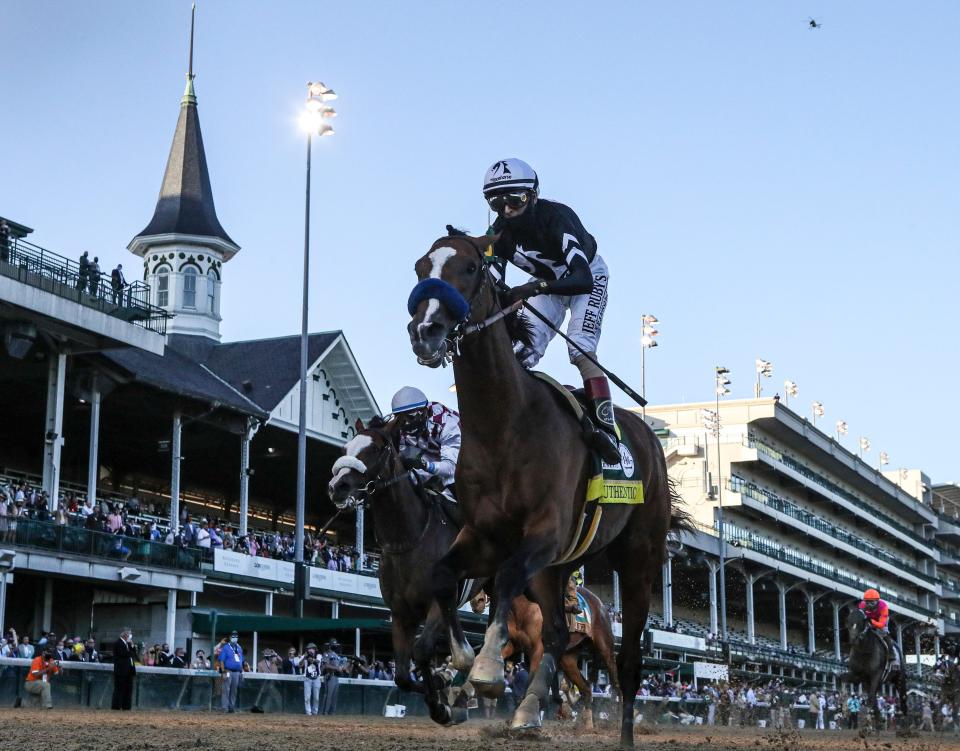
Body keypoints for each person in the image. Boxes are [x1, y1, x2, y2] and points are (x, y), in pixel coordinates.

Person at [483, 158, 620, 464]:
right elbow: (493, 286)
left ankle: (606, 428)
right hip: (546, 282)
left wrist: (532, 289)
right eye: (496, 202)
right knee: (521, 352)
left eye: (514, 199)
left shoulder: (556, 218)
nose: (506, 209)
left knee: (579, 348)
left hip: (586, 277)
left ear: (532, 195)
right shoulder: (497, 233)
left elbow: (581, 279)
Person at [390, 386, 461, 501]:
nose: (406, 423)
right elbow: (410, 459)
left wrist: (425, 465)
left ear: (424, 410)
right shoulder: (400, 430)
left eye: (410, 417)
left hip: (459, 464)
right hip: (431, 457)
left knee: (453, 482)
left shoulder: (447, 423)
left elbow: (451, 468)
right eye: (400, 419)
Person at [859, 589, 898, 668]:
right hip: (869, 619)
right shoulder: (862, 605)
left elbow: (881, 625)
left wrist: (872, 622)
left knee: (883, 633)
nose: (869, 605)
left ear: (877, 602)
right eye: (867, 602)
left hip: (881, 620)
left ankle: (892, 654)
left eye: (872, 602)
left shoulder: (883, 607)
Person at [218, 631, 244, 713]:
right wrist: (223, 672)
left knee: (234, 690)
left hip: (237, 672)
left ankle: (231, 707)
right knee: (226, 690)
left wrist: (241, 672)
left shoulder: (239, 648)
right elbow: (221, 660)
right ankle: (224, 708)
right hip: (228, 671)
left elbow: (241, 661)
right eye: (233, 636)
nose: (235, 638)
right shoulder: (226, 647)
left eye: (236, 636)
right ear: (230, 637)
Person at [111, 627, 137, 710]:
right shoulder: (118, 643)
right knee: (119, 689)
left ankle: (126, 706)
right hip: (121, 670)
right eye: (129, 633)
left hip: (129, 670)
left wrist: (131, 645)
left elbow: (134, 653)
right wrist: (131, 648)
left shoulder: (127, 644)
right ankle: (116, 707)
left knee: (128, 689)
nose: (130, 635)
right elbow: (126, 654)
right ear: (124, 634)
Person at [320, 639, 347, 715]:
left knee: (334, 696)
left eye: (336, 645)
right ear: (330, 645)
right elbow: (325, 665)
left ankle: (332, 712)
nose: (335, 646)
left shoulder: (337, 655)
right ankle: (325, 712)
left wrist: (343, 667)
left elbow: (341, 667)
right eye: (333, 644)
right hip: (329, 675)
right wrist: (337, 668)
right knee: (328, 695)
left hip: (336, 677)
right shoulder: (326, 654)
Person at [300, 643, 323, 716]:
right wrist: (304, 657)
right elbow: (299, 664)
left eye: (311, 648)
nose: (310, 650)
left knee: (316, 697)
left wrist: (312, 659)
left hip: (316, 678)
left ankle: (315, 712)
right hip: (307, 678)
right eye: (309, 648)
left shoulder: (319, 655)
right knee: (307, 697)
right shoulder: (305, 655)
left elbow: (318, 661)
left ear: (315, 649)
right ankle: (308, 712)